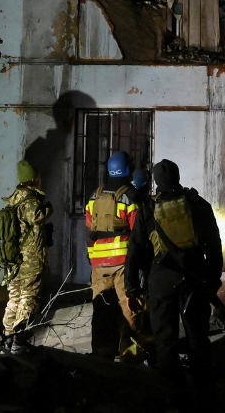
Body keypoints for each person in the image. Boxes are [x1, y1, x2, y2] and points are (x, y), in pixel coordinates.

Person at [128, 160, 224, 400]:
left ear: (157, 182)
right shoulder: (197, 204)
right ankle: (204, 394)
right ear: (178, 177)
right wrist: (212, 279)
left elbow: (135, 251)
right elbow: (214, 246)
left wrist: (132, 288)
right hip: (194, 278)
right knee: (197, 337)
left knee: (165, 340)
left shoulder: (148, 209)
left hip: (160, 280)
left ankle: (172, 395)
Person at [85, 150, 141, 359]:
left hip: (99, 265)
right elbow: (139, 232)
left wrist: (94, 259)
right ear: (128, 170)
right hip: (123, 264)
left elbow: (90, 229)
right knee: (130, 311)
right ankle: (130, 357)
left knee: (101, 310)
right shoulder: (131, 196)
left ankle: (102, 356)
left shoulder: (94, 196)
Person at [0, 160, 49, 350]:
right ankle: (19, 339)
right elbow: (36, 217)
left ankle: (7, 336)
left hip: (13, 259)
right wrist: (48, 209)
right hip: (29, 261)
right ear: (34, 179)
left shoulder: (14, 199)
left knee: (14, 298)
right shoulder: (30, 200)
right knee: (28, 298)